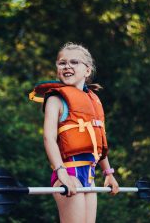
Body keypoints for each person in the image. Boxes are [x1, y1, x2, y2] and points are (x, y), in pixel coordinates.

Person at [30, 42, 119, 223]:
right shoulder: (55, 99)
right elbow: (48, 138)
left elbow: (98, 141)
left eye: (74, 62)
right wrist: (61, 172)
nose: (67, 66)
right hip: (68, 174)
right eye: (62, 63)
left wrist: (108, 173)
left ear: (87, 70)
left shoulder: (93, 101)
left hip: (89, 177)